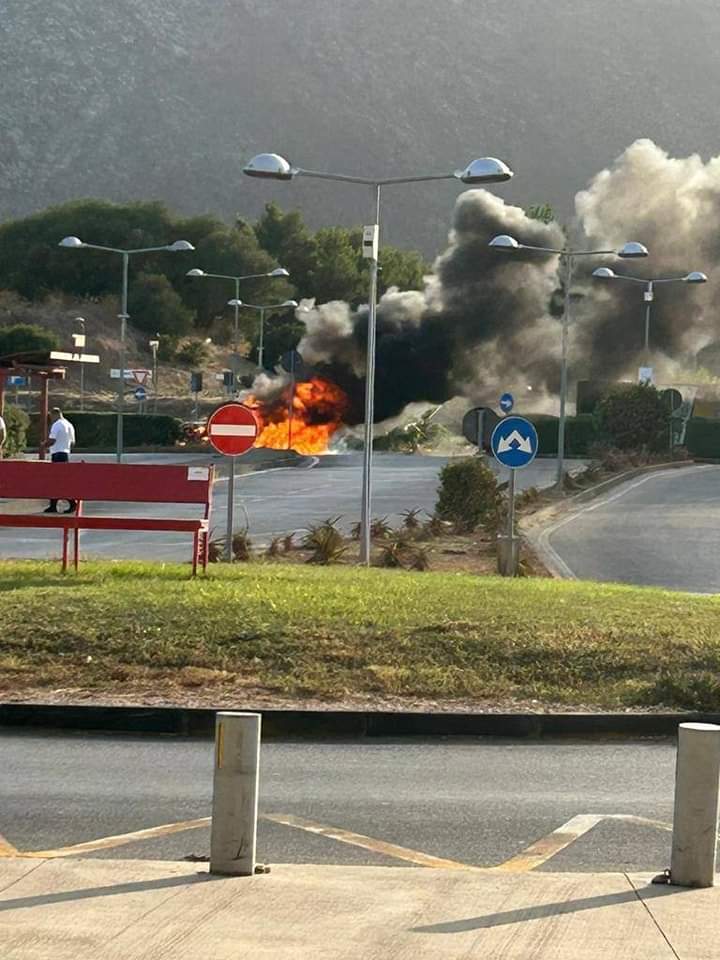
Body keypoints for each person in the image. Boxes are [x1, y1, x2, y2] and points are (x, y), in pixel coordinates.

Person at [44, 408, 77, 514]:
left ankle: (72, 502)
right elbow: (73, 442)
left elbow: (52, 440)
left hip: (57, 454)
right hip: (65, 454)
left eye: (50, 416)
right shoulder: (69, 425)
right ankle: (53, 505)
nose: (51, 419)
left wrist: (44, 445)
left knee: (56, 481)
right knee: (61, 480)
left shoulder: (56, 425)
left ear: (54, 414)